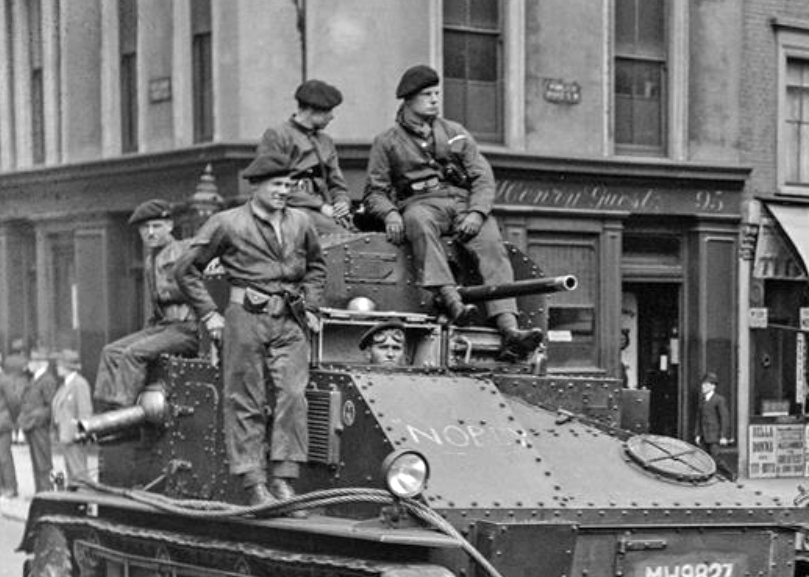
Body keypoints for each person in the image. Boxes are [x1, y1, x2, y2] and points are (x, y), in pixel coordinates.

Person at [175, 149, 326, 508]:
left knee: (293, 394)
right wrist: (210, 314)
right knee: (246, 398)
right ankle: (254, 481)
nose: (284, 191)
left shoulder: (301, 222)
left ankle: (284, 479)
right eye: (277, 184)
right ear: (256, 186)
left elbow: (317, 267)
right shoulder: (227, 223)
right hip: (245, 317)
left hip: (290, 319)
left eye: (289, 184)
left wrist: (313, 304)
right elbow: (186, 269)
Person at [364, 64, 543, 360]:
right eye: (427, 95)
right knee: (417, 221)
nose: (435, 99)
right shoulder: (388, 142)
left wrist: (476, 213)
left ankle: (510, 329)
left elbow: (482, 178)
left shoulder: (455, 133)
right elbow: (375, 191)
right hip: (421, 204)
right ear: (408, 100)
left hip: (462, 204)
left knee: (491, 244)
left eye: (436, 93)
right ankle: (451, 300)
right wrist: (390, 215)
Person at [94, 200, 222, 410]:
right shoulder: (149, 261)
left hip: (190, 330)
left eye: (156, 226)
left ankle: (125, 417)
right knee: (111, 352)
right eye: (145, 228)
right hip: (165, 327)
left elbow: (208, 285)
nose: (150, 233)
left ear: (170, 226)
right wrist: (149, 333)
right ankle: (107, 413)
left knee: (133, 353)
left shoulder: (186, 249)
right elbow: (156, 309)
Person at [256, 79, 354, 235]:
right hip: (288, 210)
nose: (332, 117)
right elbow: (271, 182)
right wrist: (320, 206)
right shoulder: (278, 135)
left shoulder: (326, 142)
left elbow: (336, 183)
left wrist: (341, 203)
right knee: (343, 240)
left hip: (324, 211)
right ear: (311, 110)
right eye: (328, 111)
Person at [18, 350, 58, 495]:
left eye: (32, 361)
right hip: (32, 426)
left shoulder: (47, 380)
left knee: (43, 463)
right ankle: (39, 492)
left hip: (40, 427)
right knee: (36, 462)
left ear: (42, 363)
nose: (29, 364)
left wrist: (35, 417)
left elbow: (50, 406)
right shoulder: (35, 379)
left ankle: (46, 492)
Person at [50, 350, 93, 484]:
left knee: (79, 474)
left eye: (59, 365)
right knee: (72, 475)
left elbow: (85, 412)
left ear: (67, 367)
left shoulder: (79, 384)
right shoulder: (66, 384)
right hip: (66, 437)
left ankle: (83, 499)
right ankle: (77, 501)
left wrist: (81, 434)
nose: (57, 367)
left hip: (75, 438)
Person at [695, 372, 735, 480]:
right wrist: (698, 434)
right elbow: (699, 418)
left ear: (713, 386)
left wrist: (723, 436)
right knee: (704, 457)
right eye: (703, 384)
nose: (703, 387)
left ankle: (730, 475)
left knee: (715, 458)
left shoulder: (719, 400)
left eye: (706, 385)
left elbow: (724, 418)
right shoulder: (702, 400)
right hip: (704, 434)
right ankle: (708, 477)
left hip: (714, 435)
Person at [0, 347, 19, 497]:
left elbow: (13, 401)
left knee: (4, 456)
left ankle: (11, 487)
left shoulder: (4, 379)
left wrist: (11, 418)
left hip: (3, 422)